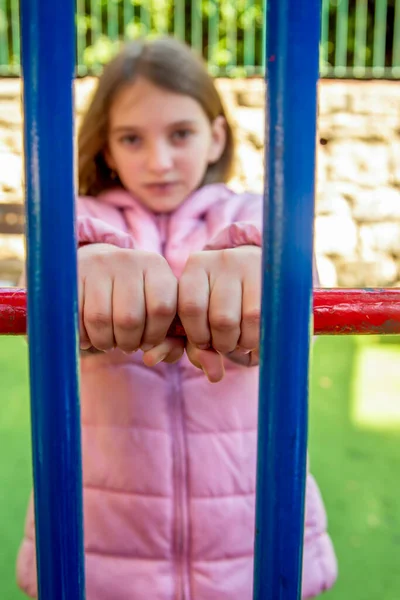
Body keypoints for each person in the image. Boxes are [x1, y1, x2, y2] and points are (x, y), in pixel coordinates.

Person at [16, 36, 337, 599]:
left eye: (180, 134)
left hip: (251, 545)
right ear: (107, 151)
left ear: (216, 136)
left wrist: (264, 265)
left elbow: (306, 278)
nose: (158, 160)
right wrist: (83, 263)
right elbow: (38, 286)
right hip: (102, 552)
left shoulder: (256, 213)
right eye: (132, 139)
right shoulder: (74, 220)